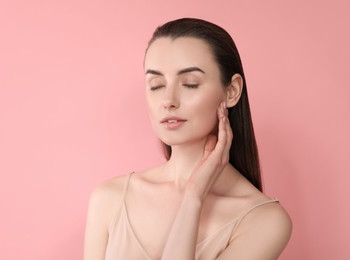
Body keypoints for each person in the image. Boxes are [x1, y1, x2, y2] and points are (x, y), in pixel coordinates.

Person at [84, 18, 292, 260]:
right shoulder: (110, 198)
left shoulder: (264, 220)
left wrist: (193, 197)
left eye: (190, 84)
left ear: (232, 91)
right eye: (156, 84)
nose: (168, 100)